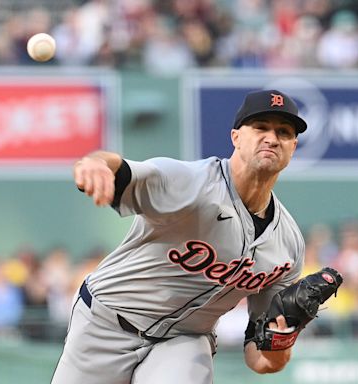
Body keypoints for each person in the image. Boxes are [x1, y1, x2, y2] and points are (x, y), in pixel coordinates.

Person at [52, 89, 310, 383]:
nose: (272, 138)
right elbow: (121, 169)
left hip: (184, 339)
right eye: (261, 127)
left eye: (284, 132)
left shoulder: (288, 245)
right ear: (236, 137)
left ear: (293, 147)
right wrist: (95, 163)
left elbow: (259, 358)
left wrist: (281, 342)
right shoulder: (191, 182)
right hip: (107, 323)